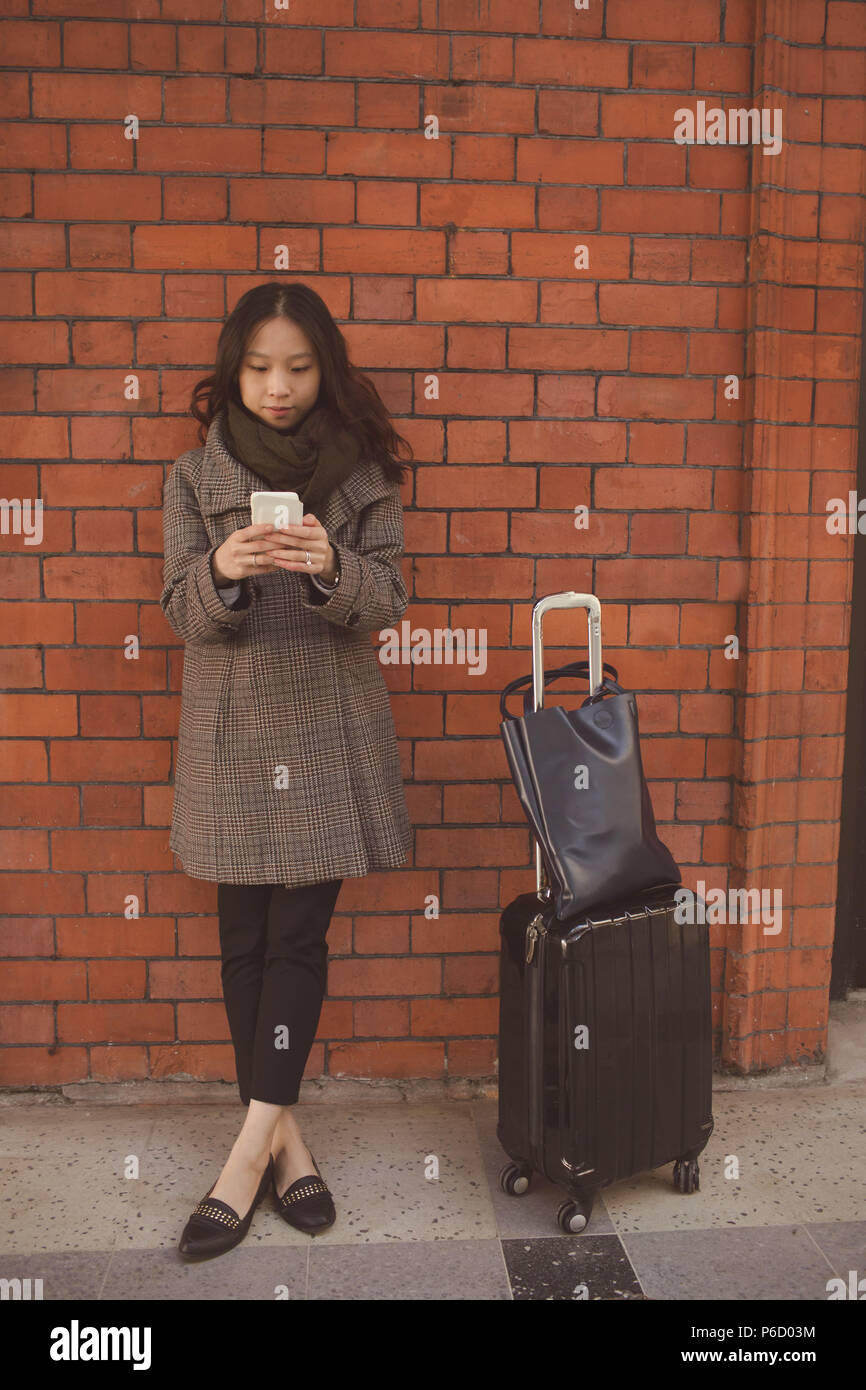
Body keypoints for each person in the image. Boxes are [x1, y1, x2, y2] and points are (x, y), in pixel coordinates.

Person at [159, 281, 413, 1260]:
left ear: (324, 370)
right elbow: (182, 609)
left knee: (296, 942)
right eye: (259, 367)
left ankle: (240, 1162)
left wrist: (324, 566)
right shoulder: (190, 477)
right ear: (233, 370)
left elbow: (386, 595)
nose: (277, 386)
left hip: (323, 736)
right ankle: (288, 1144)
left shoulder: (363, 476)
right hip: (228, 737)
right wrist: (224, 566)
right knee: (242, 943)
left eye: (298, 368)